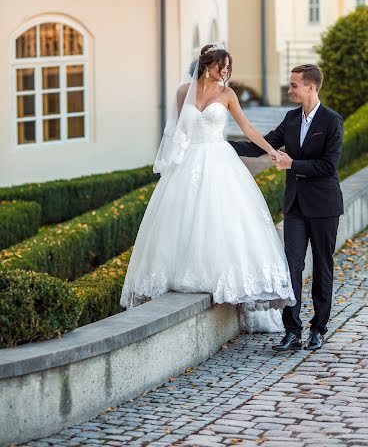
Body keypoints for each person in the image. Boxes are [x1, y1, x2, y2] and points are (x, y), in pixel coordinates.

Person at [120, 44, 295, 331]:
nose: (224, 71)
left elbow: (248, 129)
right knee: (182, 217)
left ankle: (226, 280)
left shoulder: (227, 94)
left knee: (219, 218)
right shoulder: (182, 92)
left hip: (218, 159)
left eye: (228, 67)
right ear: (206, 65)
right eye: (220, 66)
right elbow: (177, 131)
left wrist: (271, 151)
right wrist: (172, 160)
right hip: (187, 162)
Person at [230, 64, 343, 350]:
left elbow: (329, 166)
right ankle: (291, 331)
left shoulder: (332, 121)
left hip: (323, 205)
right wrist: (222, 147)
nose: (289, 89)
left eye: (294, 85)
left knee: (322, 266)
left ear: (311, 87)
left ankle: (318, 328)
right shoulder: (291, 119)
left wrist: (292, 164)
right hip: (294, 206)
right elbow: (264, 145)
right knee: (291, 267)